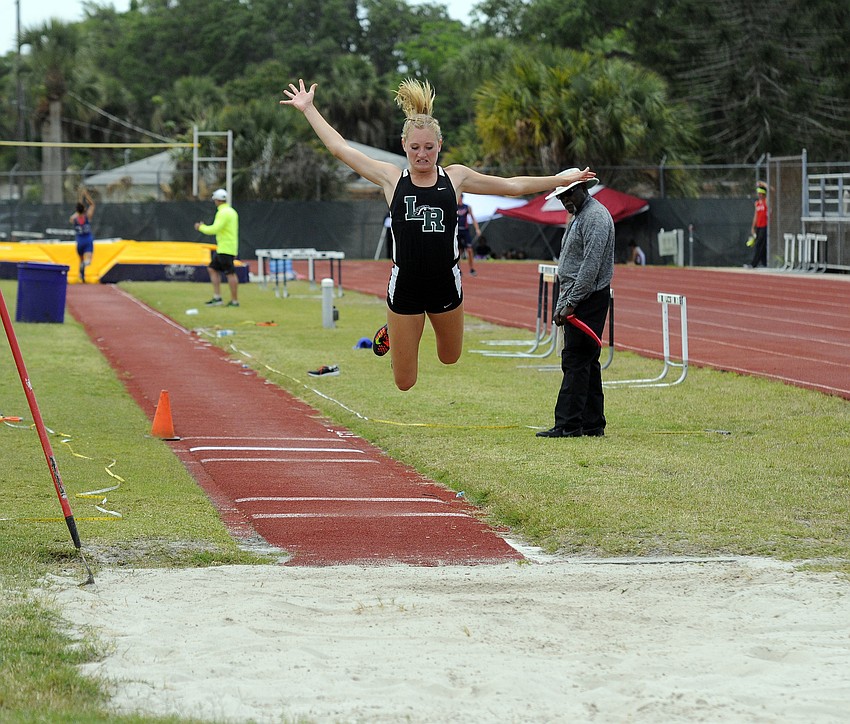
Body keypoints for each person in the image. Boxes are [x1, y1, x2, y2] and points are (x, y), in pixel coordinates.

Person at [280, 78, 595, 391]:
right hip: (405, 287)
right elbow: (339, 148)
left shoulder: (455, 177)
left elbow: (511, 186)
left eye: (429, 148)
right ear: (404, 146)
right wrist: (308, 109)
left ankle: (405, 327)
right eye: (415, 148)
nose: (422, 155)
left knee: (450, 357)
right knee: (405, 382)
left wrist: (558, 179)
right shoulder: (391, 178)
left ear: (439, 146)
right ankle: (398, 326)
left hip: (445, 282)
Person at [536, 169, 614, 438]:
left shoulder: (594, 217)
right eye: (561, 196)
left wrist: (569, 302)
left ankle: (568, 424)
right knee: (587, 361)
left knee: (576, 359)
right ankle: (592, 424)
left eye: (570, 193)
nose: (566, 200)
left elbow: (590, 266)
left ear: (584, 188)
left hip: (586, 298)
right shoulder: (582, 215)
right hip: (580, 295)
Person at [195, 188, 240, 307]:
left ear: (217, 200)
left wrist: (201, 227)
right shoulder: (231, 211)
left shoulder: (223, 212)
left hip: (225, 248)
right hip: (227, 247)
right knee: (212, 268)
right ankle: (217, 297)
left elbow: (215, 229)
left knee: (230, 273)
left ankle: (234, 301)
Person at [69, 188, 95, 283]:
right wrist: (86, 195)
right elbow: (92, 205)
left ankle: (82, 276)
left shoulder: (74, 218)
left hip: (79, 241)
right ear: (84, 209)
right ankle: (86, 263)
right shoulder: (87, 217)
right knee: (88, 259)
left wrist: (80, 197)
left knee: (81, 260)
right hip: (87, 239)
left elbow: (78, 209)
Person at [456, 194, 481, 276]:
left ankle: (471, 268)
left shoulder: (467, 207)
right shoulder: (454, 206)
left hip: (465, 231)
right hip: (457, 231)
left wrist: (477, 229)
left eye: (460, 197)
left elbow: (473, 218)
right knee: (458, 251)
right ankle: (458, 269)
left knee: (469, 250)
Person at [749, 181, 769, 268]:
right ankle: (764, 263)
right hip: (759, 226)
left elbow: (772, 191)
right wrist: (753, 227)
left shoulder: (766, 202)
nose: (760, 195)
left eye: (761, 193)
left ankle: (754, 263)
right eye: (759, 194)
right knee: (762, 245)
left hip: (765, 226)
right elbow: (755, 216)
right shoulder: (757, 203)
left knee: (759, 244)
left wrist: (764, 184)